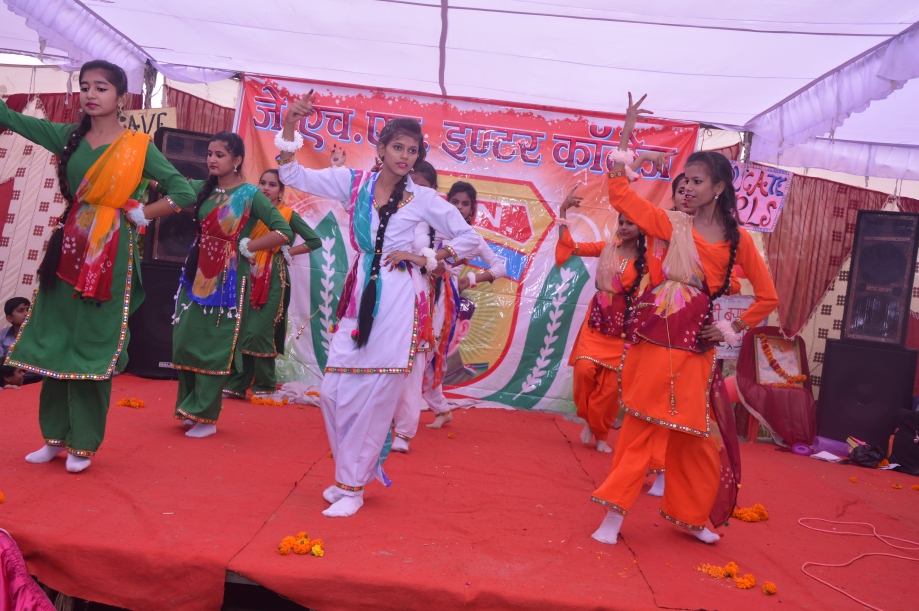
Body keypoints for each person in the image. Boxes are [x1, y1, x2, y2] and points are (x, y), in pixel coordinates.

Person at [277, 94, 479, 517]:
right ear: (382, 148)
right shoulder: (354, 184)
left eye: (413, 150)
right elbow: (292, 173)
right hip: (360, 292)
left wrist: (424, 258)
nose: (405, 156)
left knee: (376, 395)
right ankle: (351, 475)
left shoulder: (423, 199)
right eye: (398, 147)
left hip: (398, 297)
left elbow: (469, 239)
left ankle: (352, 487)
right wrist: (290, 124)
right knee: (332, 393)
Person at [590, 94, 778, 545]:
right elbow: (620, 195)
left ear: (719, 188)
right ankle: (612, 519)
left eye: (698, 181)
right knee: (642, 427)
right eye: (686, 180)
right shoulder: (670, 224)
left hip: (696, 348)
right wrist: (626, 134)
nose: (688, 188)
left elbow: (767, 297)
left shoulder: (739, 241)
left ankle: (691, 517)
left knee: (696, 436)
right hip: (656, 340)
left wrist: (731, 328)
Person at [0, 60, 197, 472]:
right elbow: (10, 118)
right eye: (85, 86)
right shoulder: (68, 136)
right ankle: (53, 438)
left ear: (121, 97)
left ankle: (83, 444)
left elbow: (183, 192)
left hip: (111, 256)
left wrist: (143, 213)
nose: (91, 94)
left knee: (92, 344)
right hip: (68, 249)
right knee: (56, 339)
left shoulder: (138, 145)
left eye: (101, 87)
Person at [171, 132, 295, 438]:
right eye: (209, 154)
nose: (211, 159)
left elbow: (283, 232)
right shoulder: (203, 188)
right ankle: (189, 407)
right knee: (186, 339)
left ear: (237, 160)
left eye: (220, 155)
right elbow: (168, 186)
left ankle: (207, 418)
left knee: (215, 344)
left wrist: (249, 245)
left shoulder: (251, 194)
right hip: (196, 272)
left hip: (228, 277)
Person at [556, 197, 649, 454]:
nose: (624, 227)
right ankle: (591, 419)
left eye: (630, 223)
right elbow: (570, 246)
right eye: (621, 222)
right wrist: (563, 211)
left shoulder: (648, 260)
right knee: (584, 370)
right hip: (597, 319)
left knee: (610, 387)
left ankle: (600, 433)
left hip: (623, 325)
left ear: (641, 228)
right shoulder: (606, 249)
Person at [223, 169, 321, 399]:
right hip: (247, 272)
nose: (266, 188)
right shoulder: (250, 211)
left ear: (281, 190)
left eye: (272, 184)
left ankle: (265, 385)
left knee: (261, 331)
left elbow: (314, 240)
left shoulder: (287, 215)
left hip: (274, 277)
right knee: (243, 329)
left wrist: (288, 252)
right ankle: (237, 383)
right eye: (263, 183)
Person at [423, 181, 506, 432]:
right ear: (447, 203)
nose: (459, 207)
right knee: (410, 350)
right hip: (419, 290)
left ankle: (432, 410)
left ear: (472, 209)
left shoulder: (472, 238)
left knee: (428, 353)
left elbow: (500, 268)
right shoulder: (432, 226)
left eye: (465, 203)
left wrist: (467, 281)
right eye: (455, 202)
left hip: (443, 298)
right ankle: (434, 409)